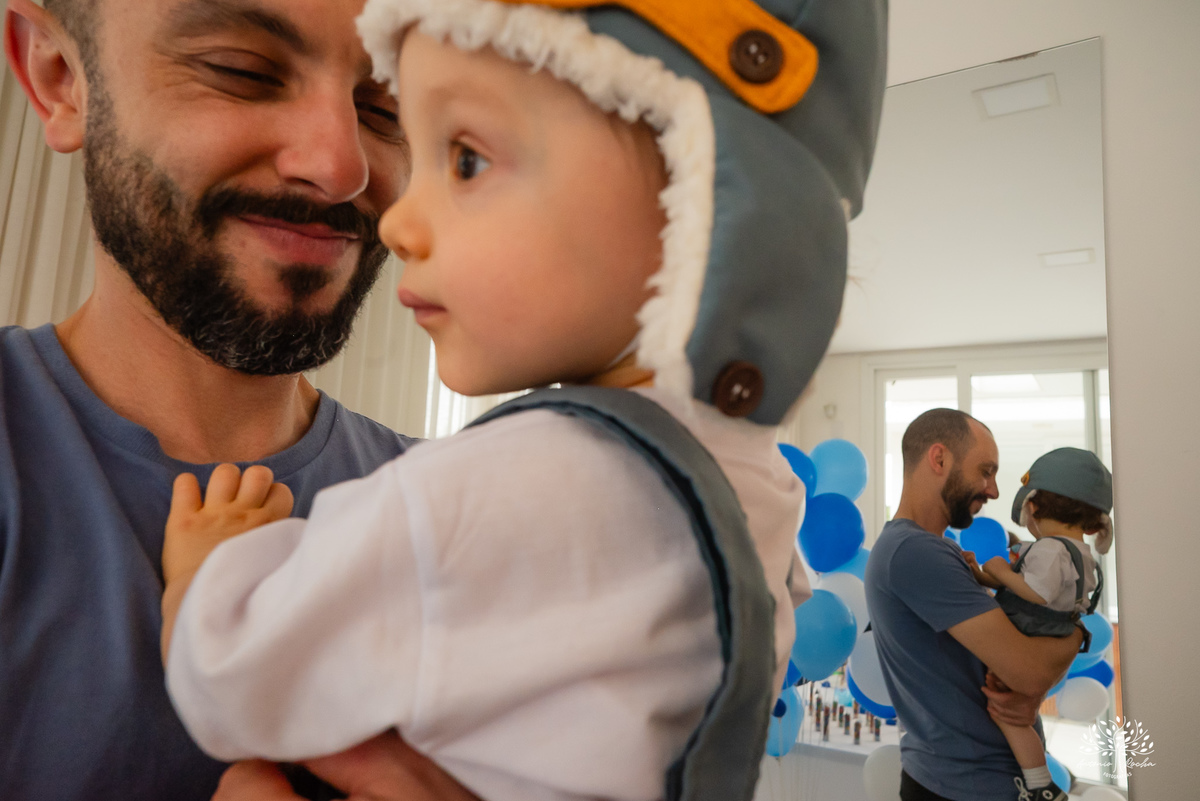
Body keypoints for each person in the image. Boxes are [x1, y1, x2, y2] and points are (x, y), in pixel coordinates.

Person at [158, 1, 887, 799]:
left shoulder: (483, 494)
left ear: (712, 204)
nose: (397, 218)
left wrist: (209, 577)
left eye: (466, 159)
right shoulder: (763, 490)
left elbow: (233, 682)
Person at [1, 0, 480, 799]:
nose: (341, 167)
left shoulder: (463, 520)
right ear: (60, 79)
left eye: (383, 107)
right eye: (242, 72)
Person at [864, 409, 1085, 801]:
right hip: (964, 788)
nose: (994, 490)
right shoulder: (915, 551)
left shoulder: (935, 549)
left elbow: (1019, 668)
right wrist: (1078, 632)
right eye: (986, 471)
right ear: (939, 459)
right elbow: (1030, 674)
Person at [967, 447, 1113, 801]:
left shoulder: (1050, 549)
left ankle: (1040, 784)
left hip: (1030, 627)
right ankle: (1040, 782)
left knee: (1008, 715)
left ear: (1032, 506)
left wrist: (999, 570)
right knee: (1018, 716)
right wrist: (982, 576)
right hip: (1055, 629)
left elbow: (1036, 592)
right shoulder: (1080, 552)